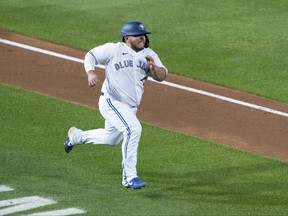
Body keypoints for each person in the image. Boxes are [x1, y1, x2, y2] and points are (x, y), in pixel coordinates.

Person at [63, 21, 168, 189]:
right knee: (133, 129)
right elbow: (90, 55)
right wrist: (90, 72)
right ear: (127, 38)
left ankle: (76, 136)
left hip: (130, 108)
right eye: (138, 35)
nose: (143, 37)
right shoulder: (114, 49)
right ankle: (129, 177)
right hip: (111, 102)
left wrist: (153, 68)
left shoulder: (149, 54)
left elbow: (162, 76)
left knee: (110, 139)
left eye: (144, 35)